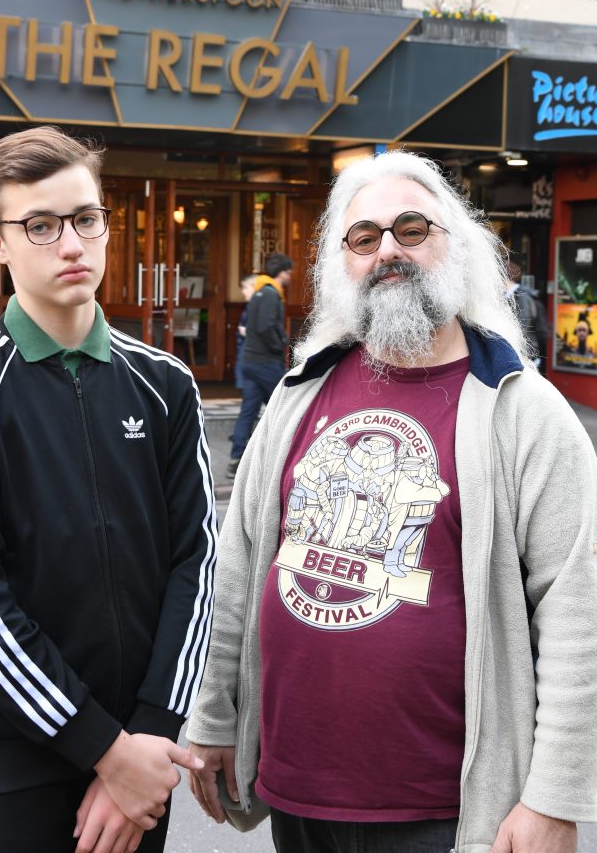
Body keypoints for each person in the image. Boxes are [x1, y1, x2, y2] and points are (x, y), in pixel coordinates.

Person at [186, 150, 597, 853]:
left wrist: (555, 798)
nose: (388, 251)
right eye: (364, 237)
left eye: (413, 229)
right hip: (301, 792)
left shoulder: (523, 410)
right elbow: (238, 571)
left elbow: (578, 609)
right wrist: (214, 718)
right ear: (340, 263)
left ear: (455, 247)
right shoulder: (298, 394)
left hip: (447, 811)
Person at [0, 126, 215, 853]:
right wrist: (103, 750)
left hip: (141, 761)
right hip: (9, 770)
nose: (71, 244)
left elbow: (198, 565)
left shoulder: (166, 384)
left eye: (85, 219)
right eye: (39, 226)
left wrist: (148, 735)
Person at [227, 254, 293, 478]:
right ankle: (283, 458)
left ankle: (236, 459)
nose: (290, 276)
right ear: (282, 272)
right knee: (286, 406)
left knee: (248, 411)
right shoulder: (270, 294)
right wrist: (280, 345)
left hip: (250, 361)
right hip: (265, 361)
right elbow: (266, 327)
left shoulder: (259, 292)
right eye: (288, 272)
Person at [505, 260, 549, 371]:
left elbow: (521, 328)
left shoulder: (522, 297)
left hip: (525, 355)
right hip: (520, 354)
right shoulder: (510, 296)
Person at [234, 274, 257, 391]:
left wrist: (247, 332)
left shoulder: (257, 307)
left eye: (246, 288)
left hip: (251, 353)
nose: (243, 292)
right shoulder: (251, 306)